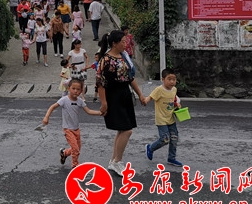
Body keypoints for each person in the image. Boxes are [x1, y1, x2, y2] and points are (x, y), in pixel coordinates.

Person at [97, 31, 146, 176]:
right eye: (123, 42)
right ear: (114, 43)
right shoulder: (106, 60)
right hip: (113, 96)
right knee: (127, 130)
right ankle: (117, 161)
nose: (126, 44)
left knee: (122, 129)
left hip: (125, 94)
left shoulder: (124, 57)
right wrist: (104, 103)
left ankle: (114, 160)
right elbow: (100, 83)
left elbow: (130, 78)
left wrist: (140, 94)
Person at [41, 79, 102, 168]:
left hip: (76, 129)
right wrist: (46, 117)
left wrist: (100, 113)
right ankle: (75, 165)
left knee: (77, 148)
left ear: (81, 91)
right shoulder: (64, 100)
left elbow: (88, 111)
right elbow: (52, 107)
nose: (75, 91)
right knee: (75, 149)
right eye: (73, 88)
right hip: (68, 129)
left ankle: (64, 153)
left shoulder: (80, 101)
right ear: (69, 88)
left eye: (78, 89)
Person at [143, 68, 183, 167]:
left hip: (171, 118)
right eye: (169, 79)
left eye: (174, 79)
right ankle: (150, 148)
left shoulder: (174, 89)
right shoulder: (159, 90)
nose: (172, 81)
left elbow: (174, 100)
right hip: (161, 119)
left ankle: (171, 158)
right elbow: (150, 97)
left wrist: (177, 104)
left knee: (174, 138)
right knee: (165, 139)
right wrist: (145, 101)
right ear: (163, 79)